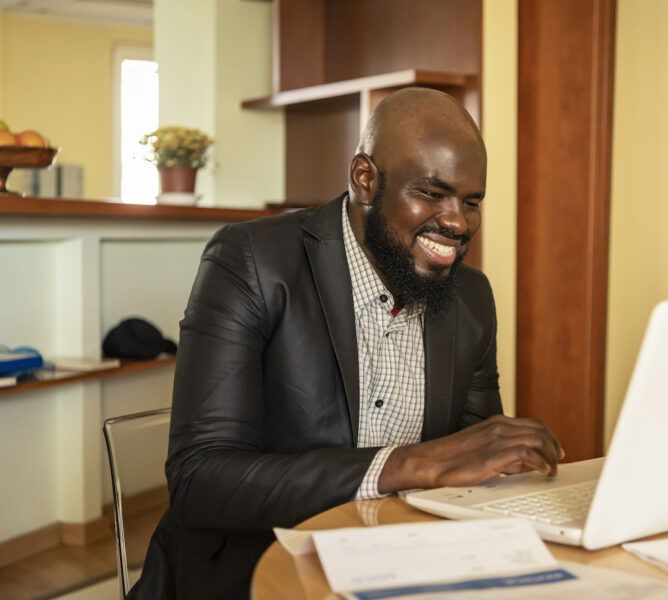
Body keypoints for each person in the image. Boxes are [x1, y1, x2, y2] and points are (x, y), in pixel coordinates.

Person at [131, 88, 563, 599]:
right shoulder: (251, 261)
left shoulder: (471, 298)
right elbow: (199, 478)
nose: (456, 222)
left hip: (401, 567)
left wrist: (506, 466)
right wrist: (406, 463)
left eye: (471, 202)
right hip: (252, 573)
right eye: (431, 192)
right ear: (366, 179)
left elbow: (471, 462)